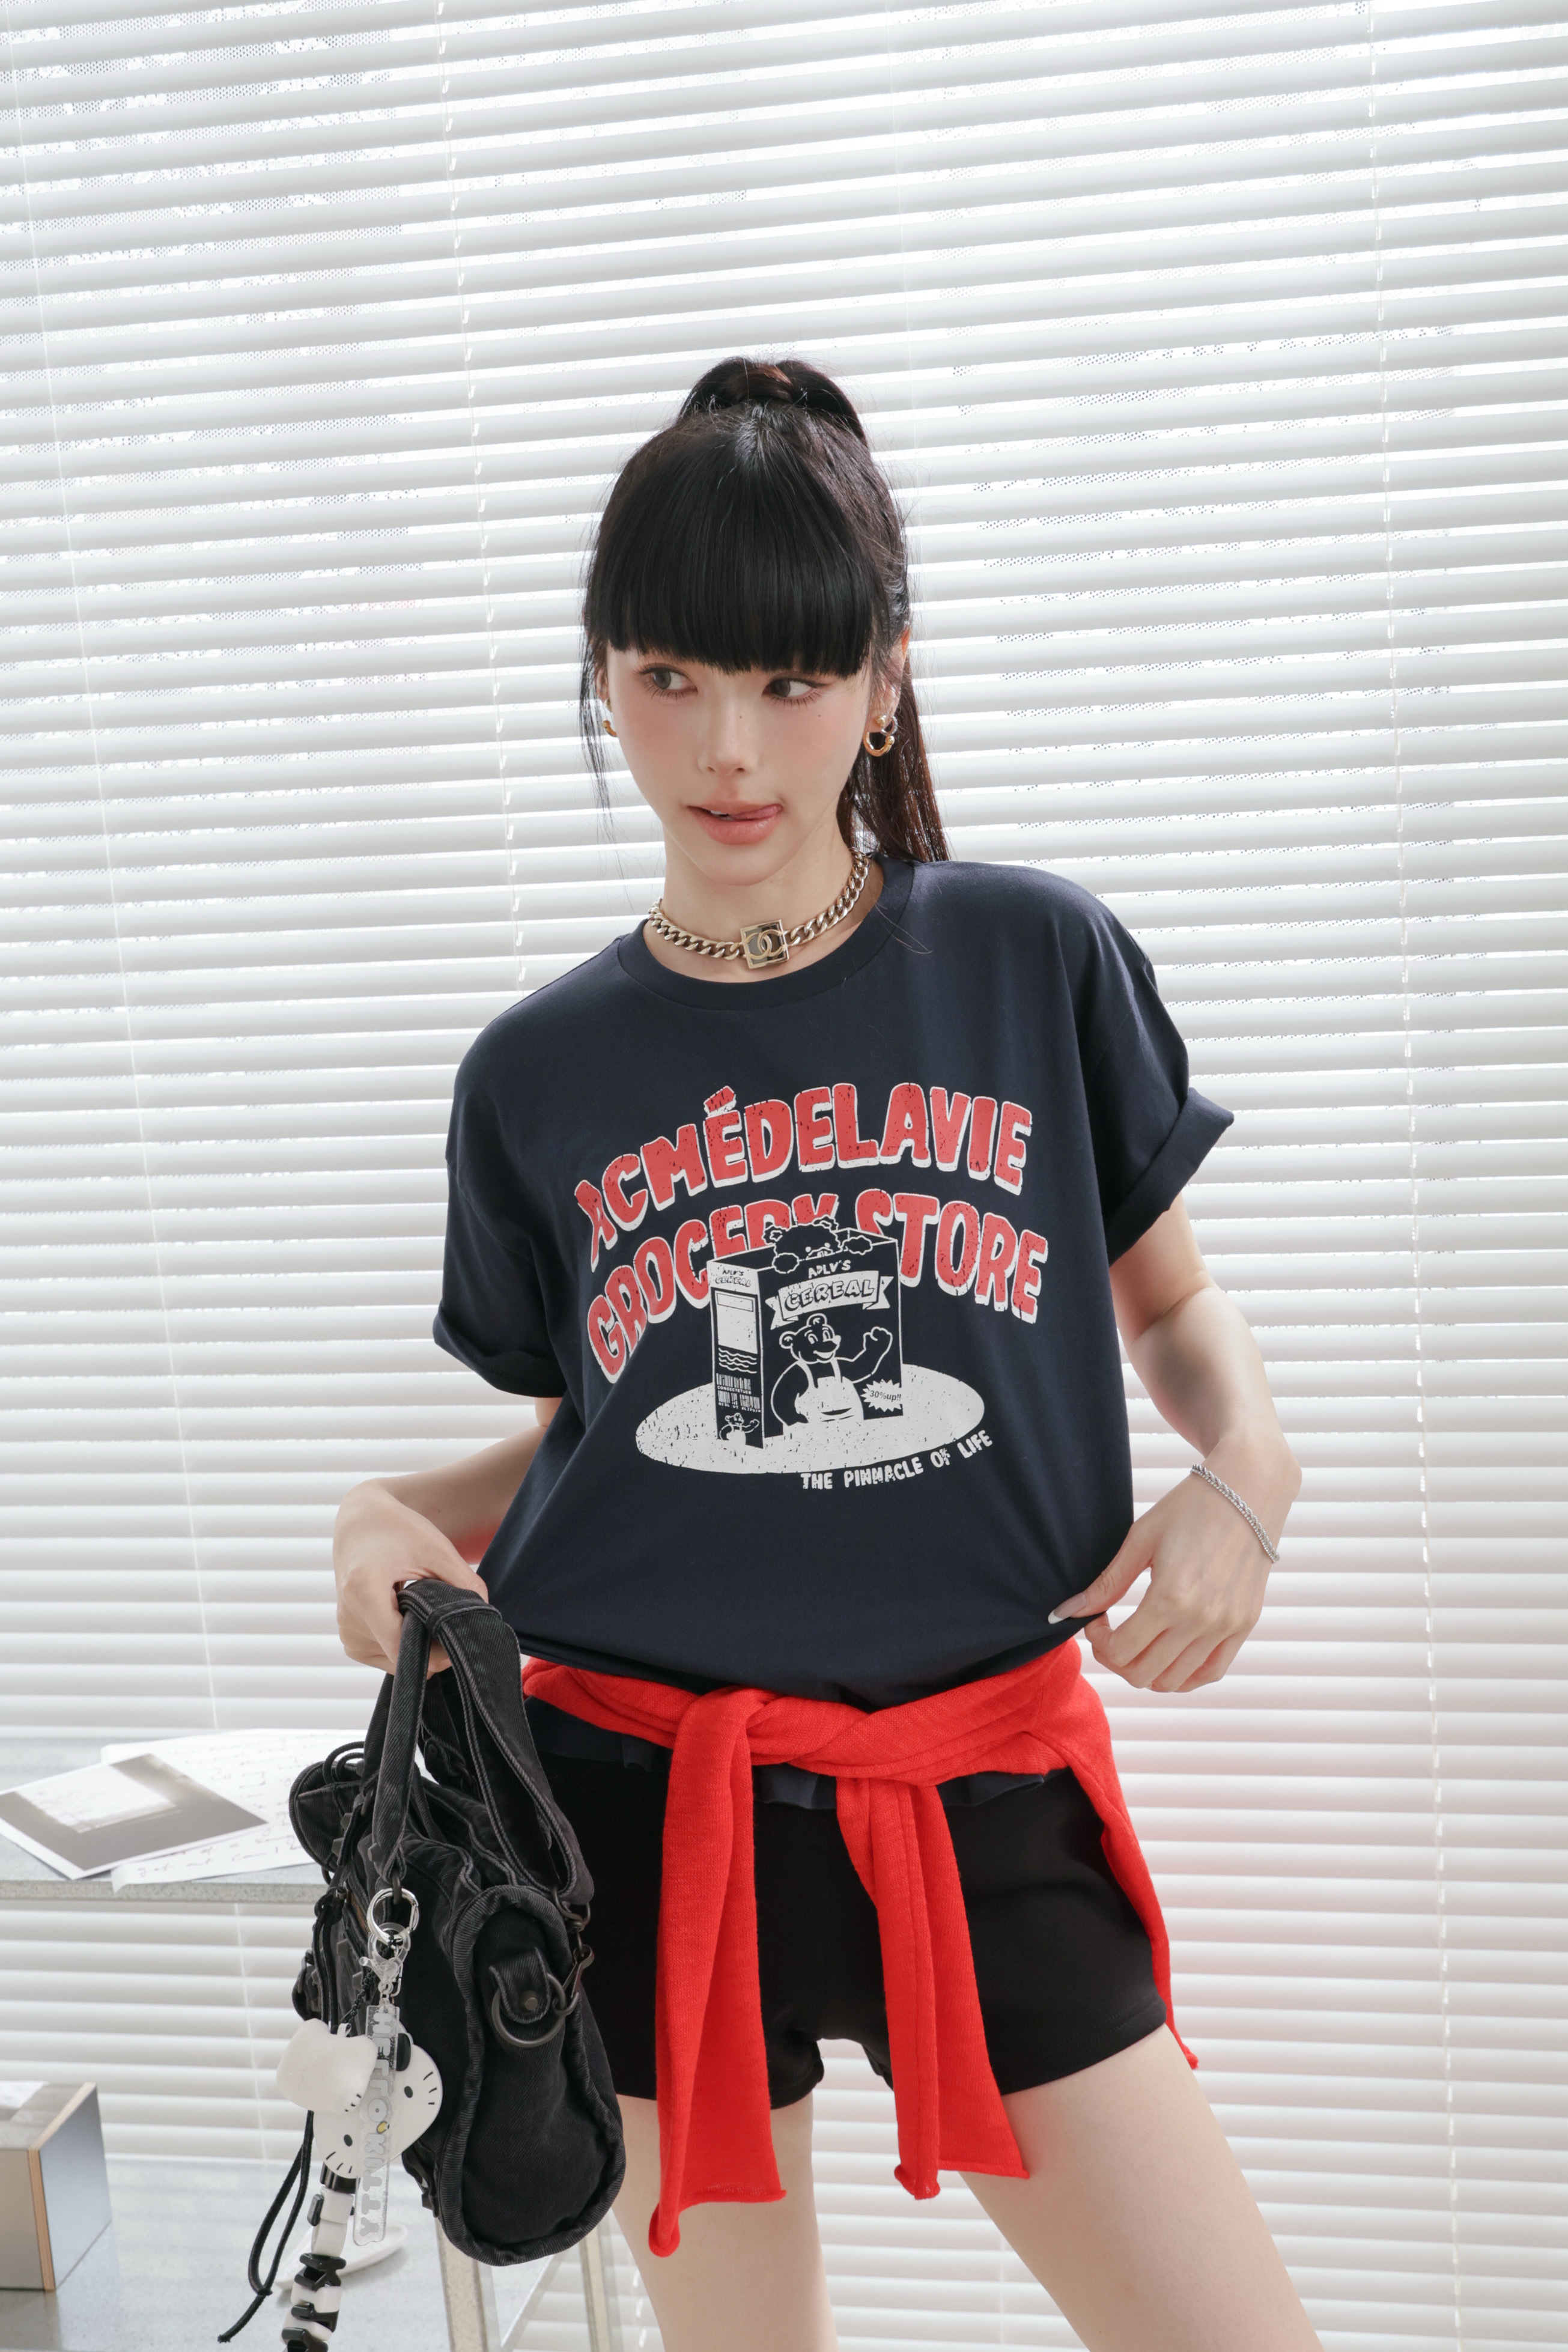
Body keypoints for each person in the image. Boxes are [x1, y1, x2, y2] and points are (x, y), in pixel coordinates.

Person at [332, 357, 1316, 2352]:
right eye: (672, 676)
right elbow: (611, 1438)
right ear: (603, 677)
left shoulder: (1031, 959)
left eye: (790, 681)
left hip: (978, 1783)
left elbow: (1172, 1305)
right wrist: (384, 1508)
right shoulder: (535, 1073)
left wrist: (1249, 1481)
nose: (728, 745)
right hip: (639, 1814)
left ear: (883, 681)